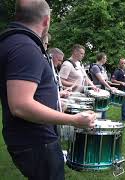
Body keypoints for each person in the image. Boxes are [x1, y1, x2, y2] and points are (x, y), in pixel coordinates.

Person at [0, 1, 96, 179]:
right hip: (36, 140)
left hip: (30, 138)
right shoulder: (25, 47)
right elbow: (21, 105)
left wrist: (57, 100)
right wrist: (73, 120)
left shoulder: (16, 42)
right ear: (46, 21)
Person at [89, 52, 117, 119]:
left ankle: (103, 123)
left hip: (103, 89)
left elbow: (105, 79)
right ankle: (97, 126)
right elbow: (101, 80)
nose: (106, 60)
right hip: (98, 90)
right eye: (105, 58)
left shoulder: (102, 67)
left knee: (104, 108)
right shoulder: (95, 67)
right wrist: (110, 88)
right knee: (99, 110)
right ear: (102, 58)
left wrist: (111, 84)